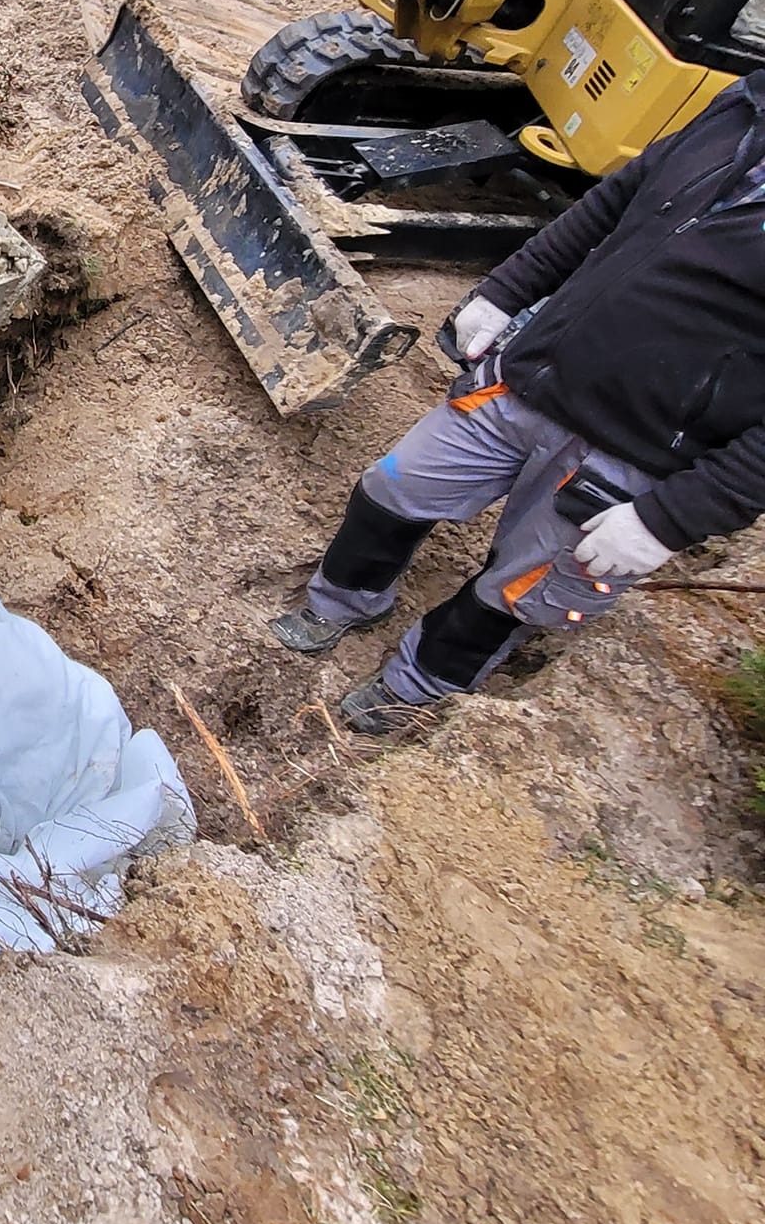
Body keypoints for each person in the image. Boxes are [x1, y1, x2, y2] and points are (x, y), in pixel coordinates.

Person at [272, 69, 765, 733]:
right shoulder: (744, 107)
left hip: (635, 458)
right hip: (533, 377)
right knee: (392, 487)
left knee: (518, 591)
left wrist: (667, 521)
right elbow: (613, 203)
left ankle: (414, 687)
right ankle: (345, 601)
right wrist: (507, 289)